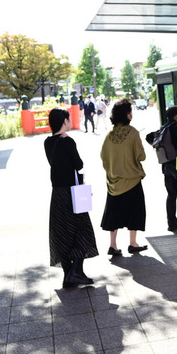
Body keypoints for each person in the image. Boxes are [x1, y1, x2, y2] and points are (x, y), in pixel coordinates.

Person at [45, 108, 99, 287]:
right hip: (72, 193)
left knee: (63, 233)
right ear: (65, 121)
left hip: (57, 194)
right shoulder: (68, 142)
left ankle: (70, 274)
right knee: (83, 230)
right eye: (68, 119)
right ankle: (76, 271)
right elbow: (79, 164)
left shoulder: (47, 142)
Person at [99, 98, 148, 256]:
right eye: (130, 111)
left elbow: (103, 157)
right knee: (134, 211)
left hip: (113, 182)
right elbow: (141, 156)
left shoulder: (109, 135)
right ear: (127, 114)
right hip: (132, 180)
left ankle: (113, 245)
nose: (131, 114)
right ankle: (132, 243)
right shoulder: (132, 132)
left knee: (114, 214)